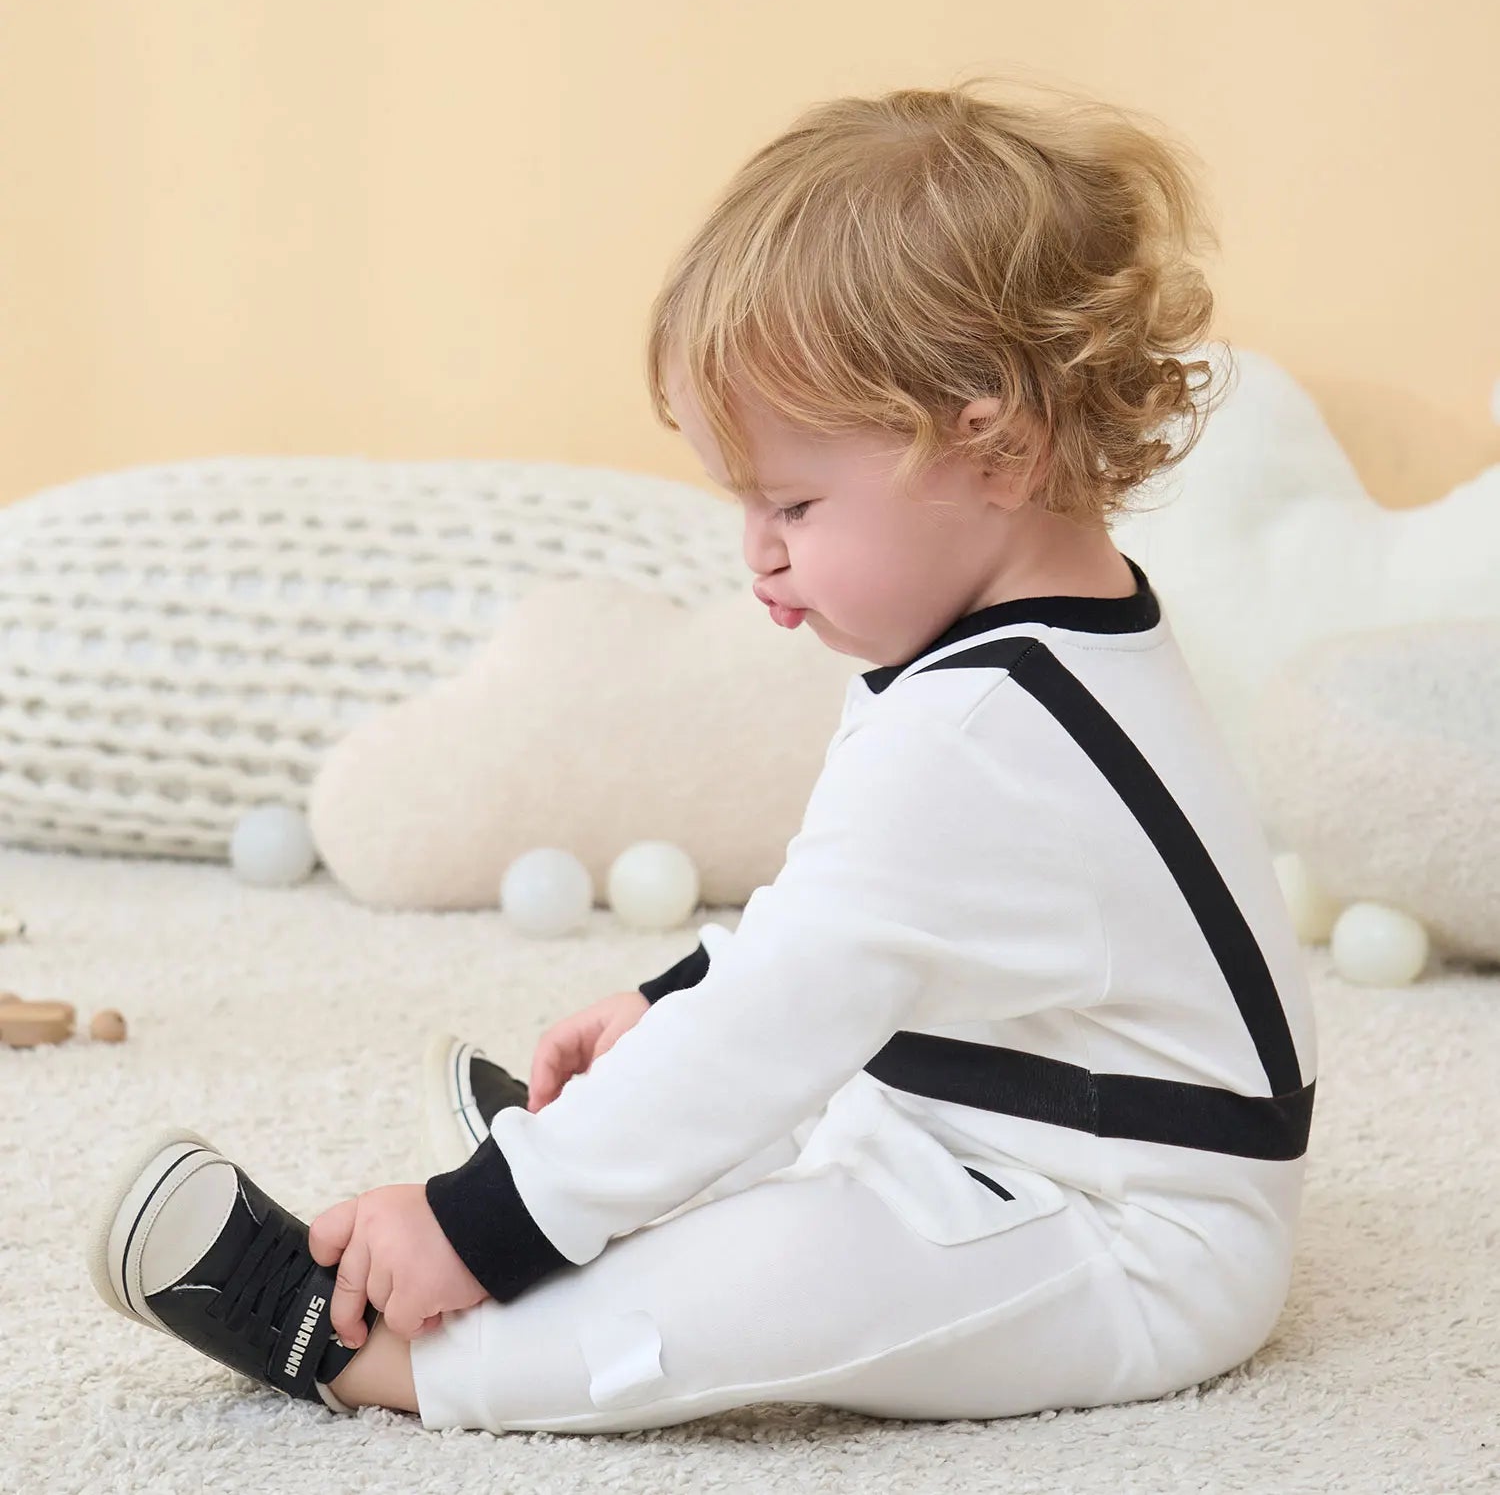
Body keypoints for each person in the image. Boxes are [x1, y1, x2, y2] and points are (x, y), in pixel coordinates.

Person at [87, 75, 1317, 1435]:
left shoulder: (974, 732)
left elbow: (800, 999)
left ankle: (380, 1355)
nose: (758, 550)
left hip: (1128, 1230)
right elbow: (854, 935)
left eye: (794, 500)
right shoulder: (1039, 644)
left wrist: (477, 1228)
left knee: (788, 1280)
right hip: (994, 1101)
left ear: (1000, 449)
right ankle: (606, 1176)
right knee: (771, 1103)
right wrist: (673, 1003)